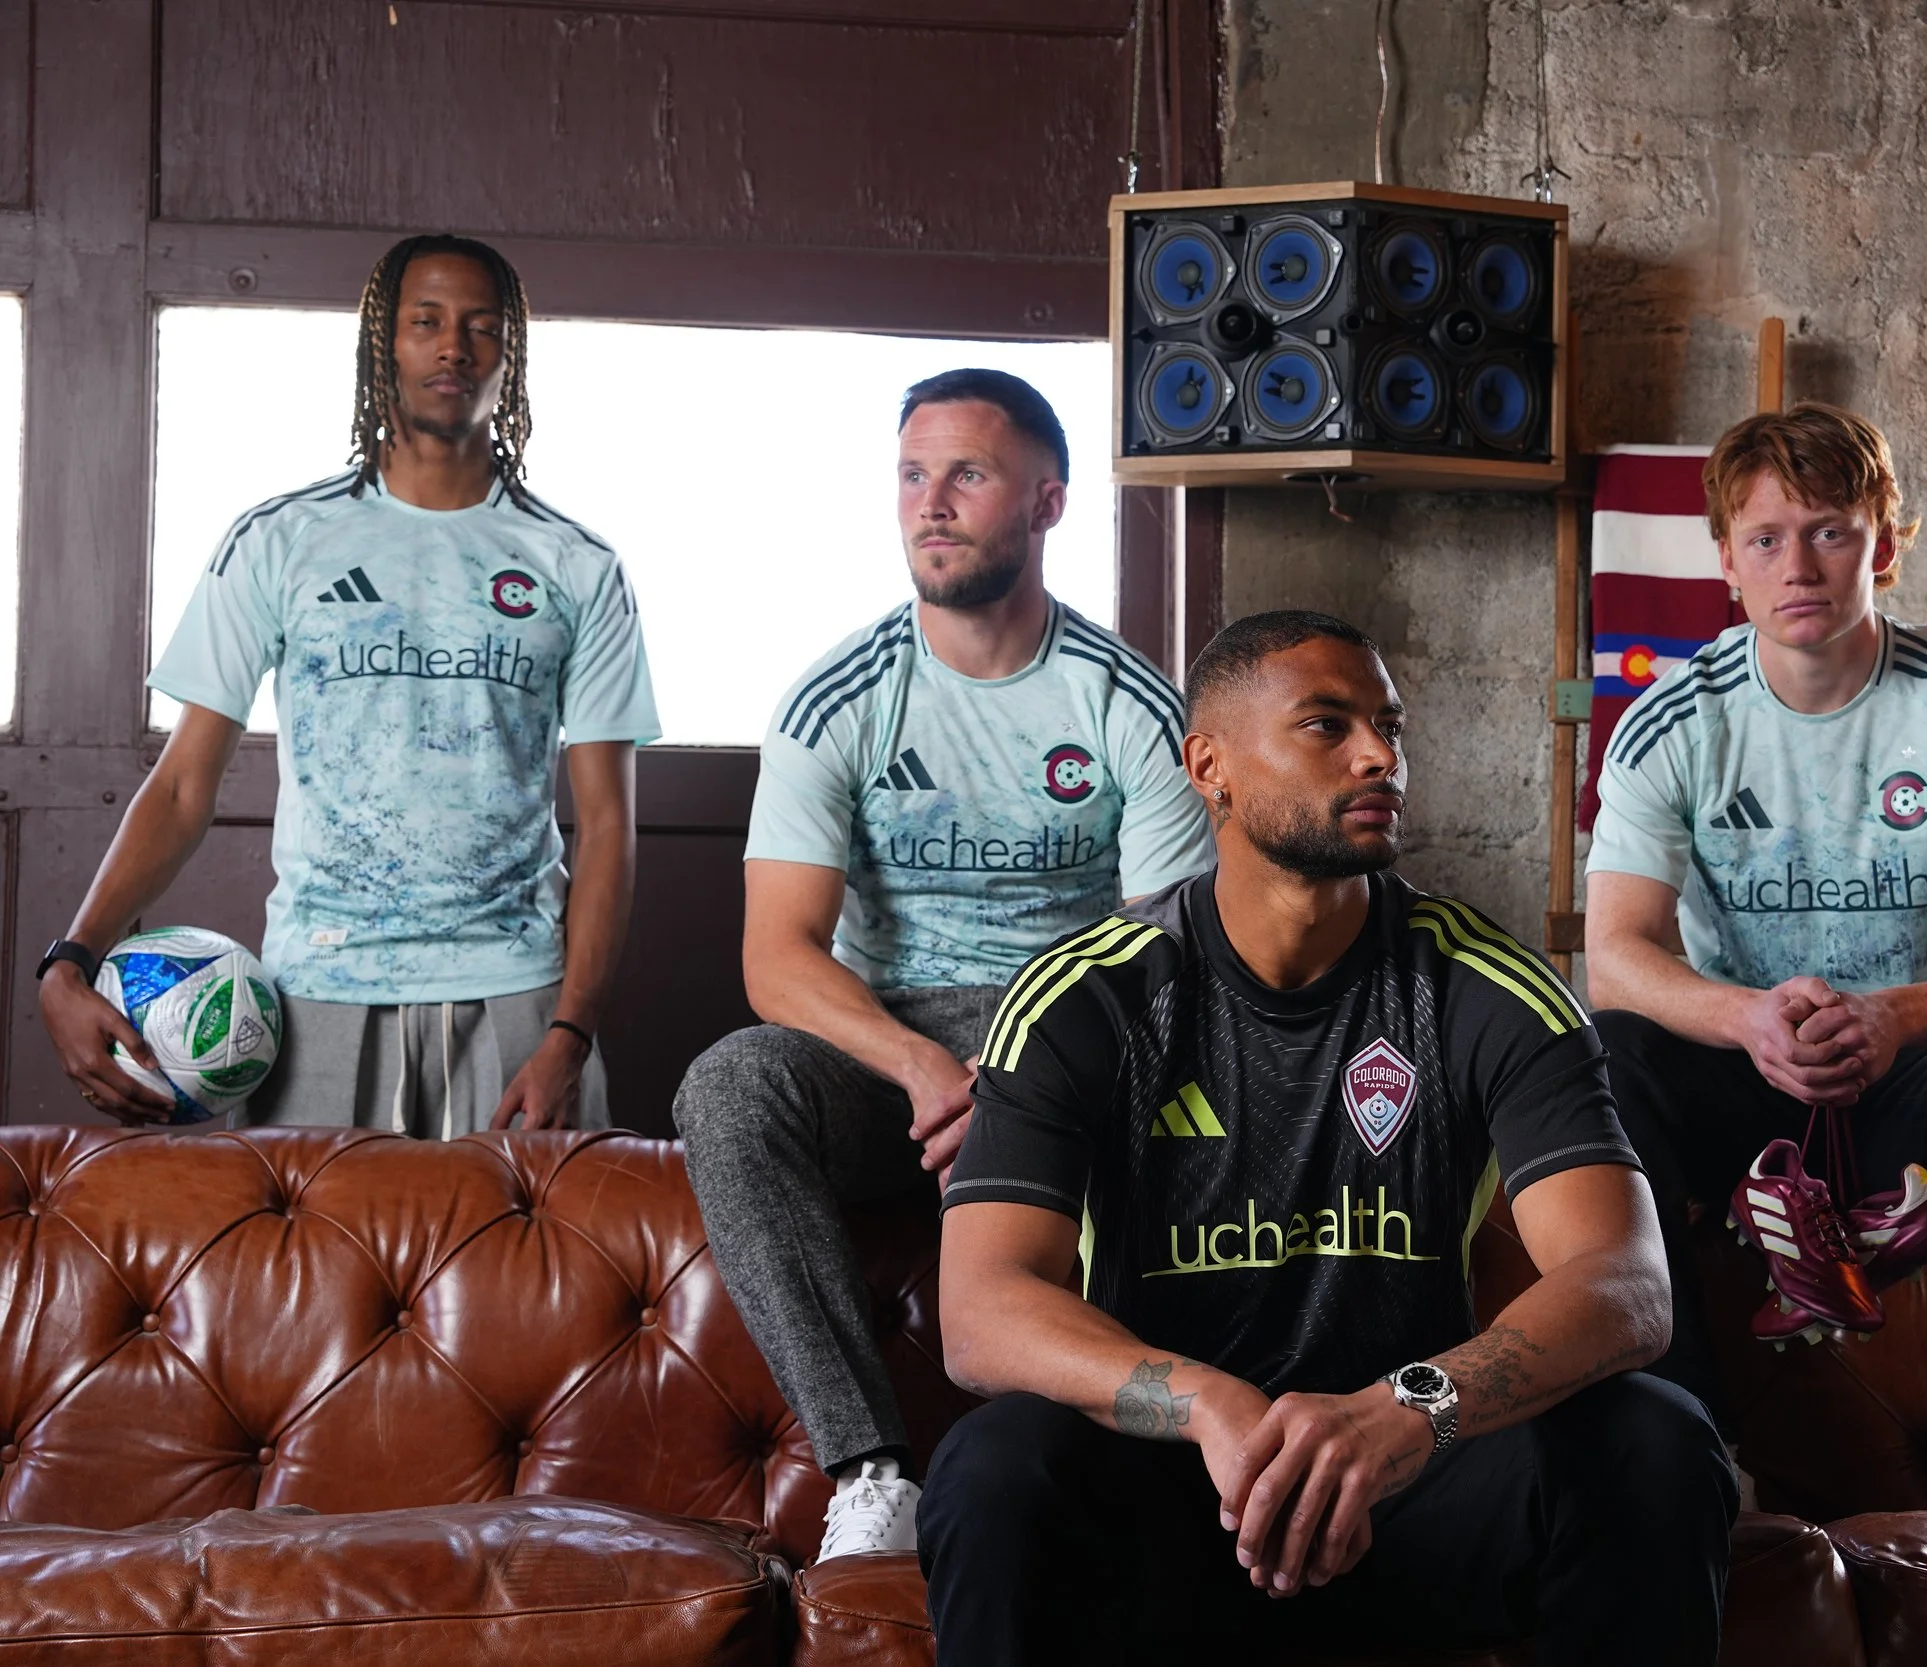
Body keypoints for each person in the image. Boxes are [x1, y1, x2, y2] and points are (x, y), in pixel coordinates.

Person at [922, 610, 1737, 1665]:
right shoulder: (1087, 995)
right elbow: (982, 1311)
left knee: (1656, 1441)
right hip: (1179, 1497)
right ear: (1208, 767)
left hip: (1408, 1487)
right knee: (996, 1465)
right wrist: (1208, 1404)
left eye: (1389, 727)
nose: (1379, 756)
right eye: (1326, 724)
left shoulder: (1485, 989)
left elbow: (1626, 1283)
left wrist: (1411, 1408)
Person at [672, 369, 1214, 1563]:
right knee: (729, 1082)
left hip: (1076, 1042)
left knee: (1223, 1083)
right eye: (913, 475)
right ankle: (870, 1472)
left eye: (967, 473)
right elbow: (777, 956)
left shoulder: (1128, 702)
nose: (932, 503)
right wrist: (922, 1066)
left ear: (1046, 501)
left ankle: (1150, 1463)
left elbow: (1169, 952)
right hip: (887, 1044)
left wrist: (1024, 1079)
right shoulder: (836, 700)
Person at [1583, 402, 1927, 1513]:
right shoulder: (1669, 720)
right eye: (1766, 539)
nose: (1799, 565)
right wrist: (1744, 1018)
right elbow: (1615, 958)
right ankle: (1705, 1456)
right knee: (1607, 1055)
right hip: (1749, 1073)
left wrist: (1895, 1018)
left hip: (1904, 1069)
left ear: (1884, 542)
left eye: (1829, 530)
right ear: (1725, 562)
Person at [37, 234, 655, 1136]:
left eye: (482, 326)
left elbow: (605, 826)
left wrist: (571, 1032)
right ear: (383, 343)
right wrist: (71, 958)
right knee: (313, 1280)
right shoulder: (281, 542)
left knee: (525, 1278)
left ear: (509, 354)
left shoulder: (577, 565)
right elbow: (180, 785)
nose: (454, 346)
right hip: (318, 990)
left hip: (519, 998)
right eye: (426, 322)